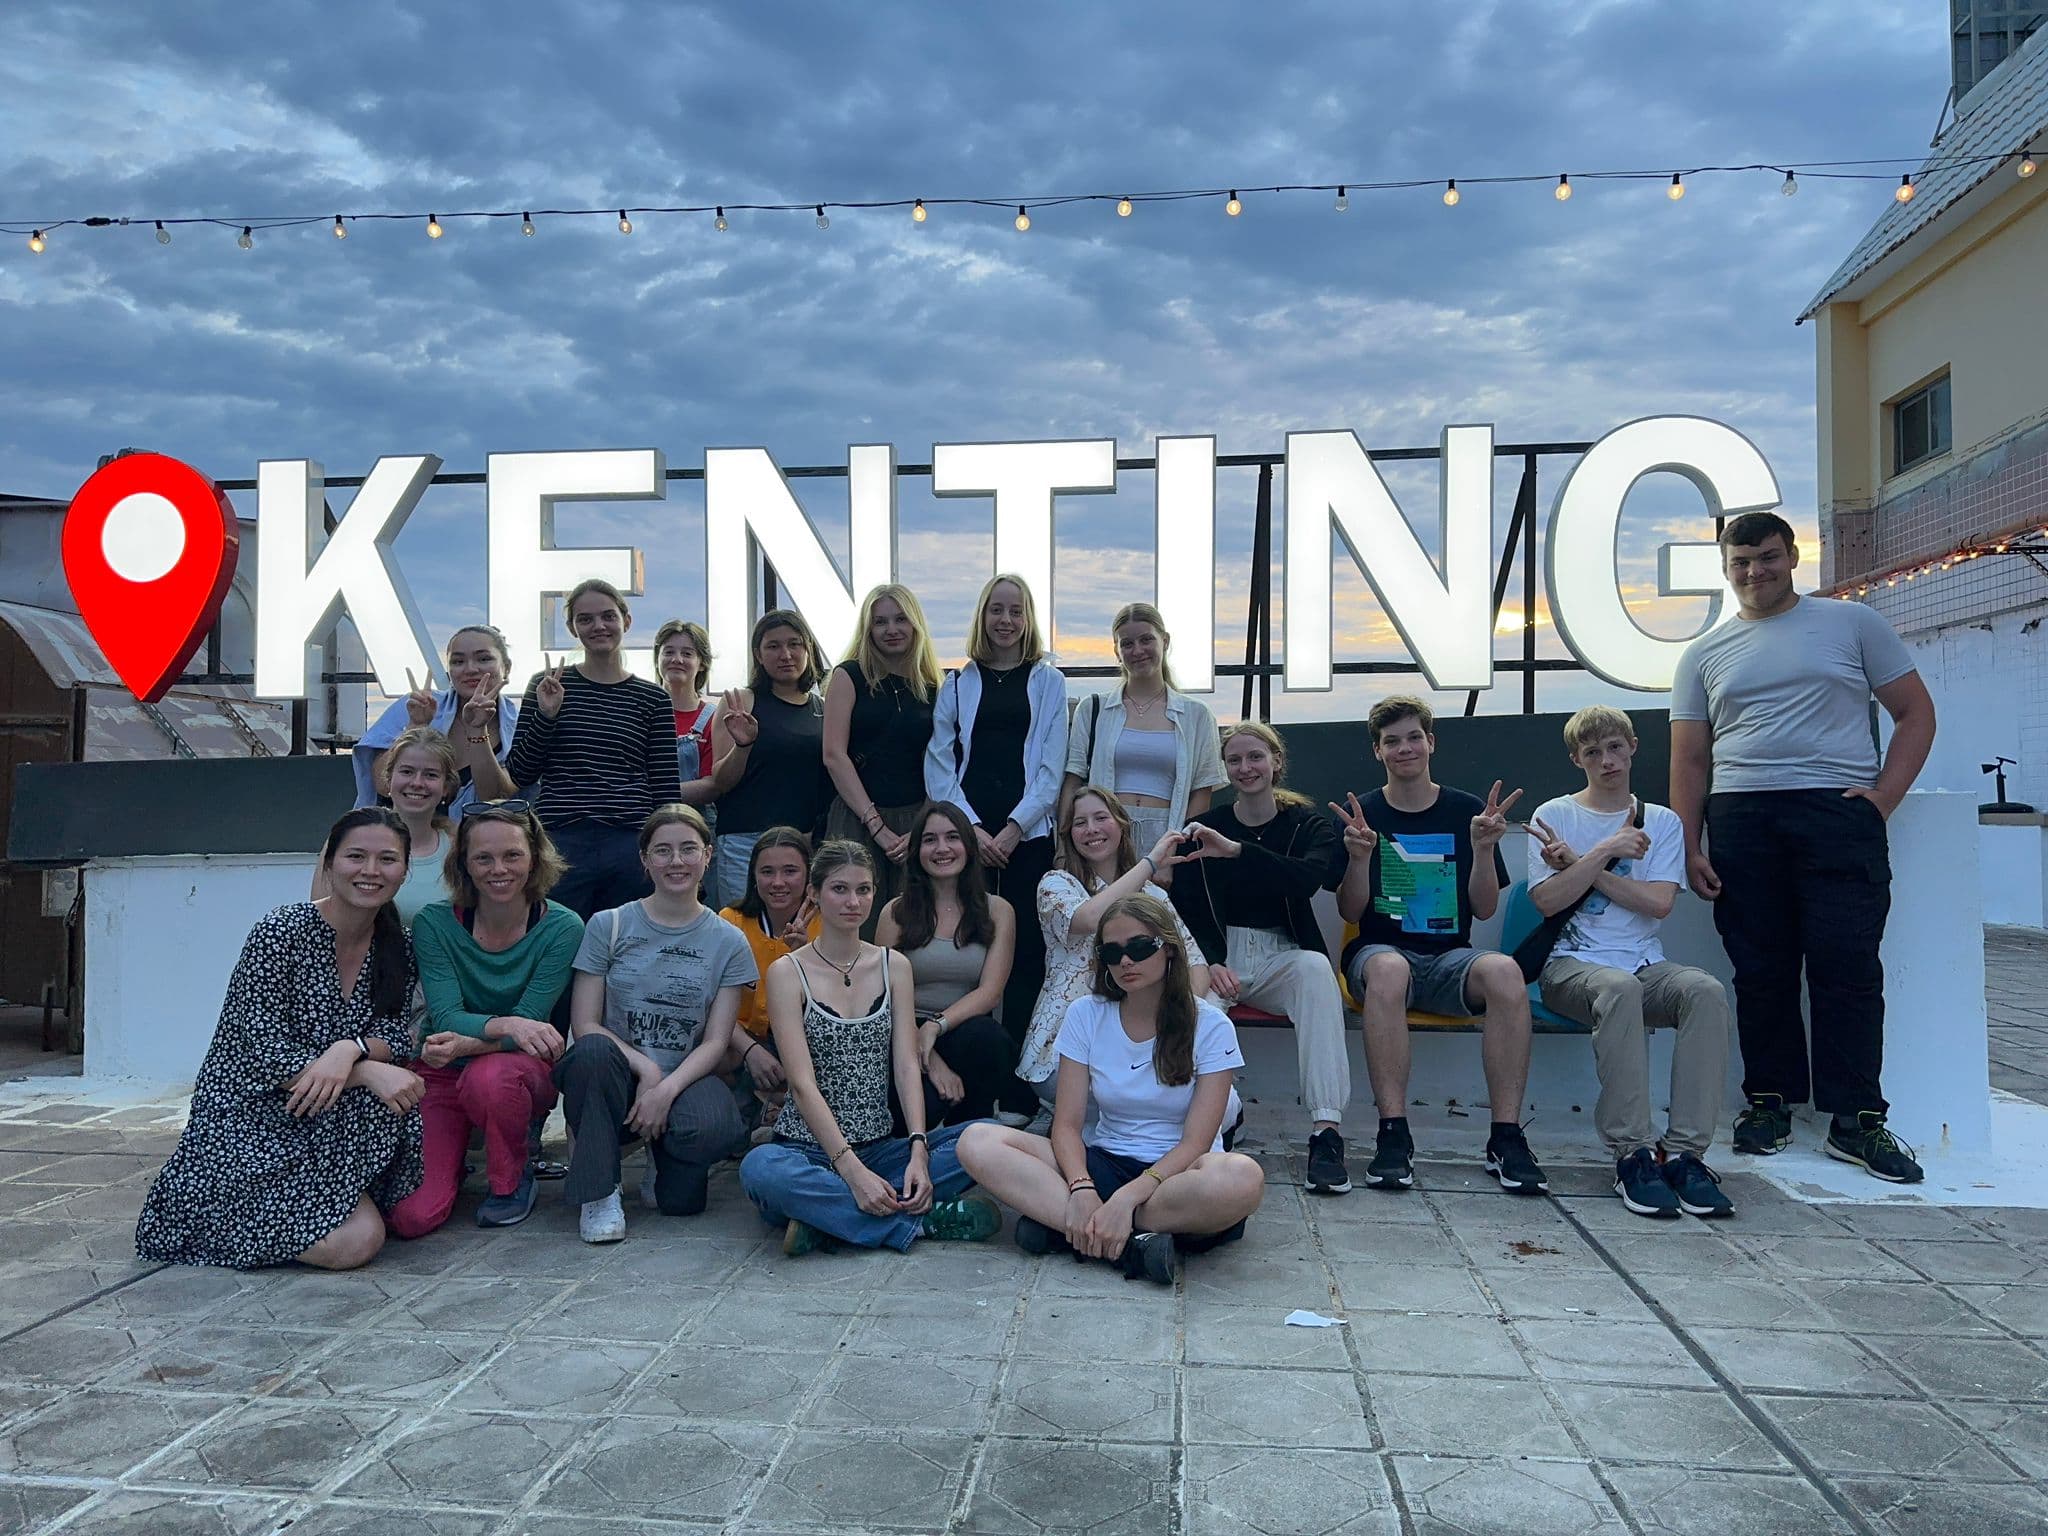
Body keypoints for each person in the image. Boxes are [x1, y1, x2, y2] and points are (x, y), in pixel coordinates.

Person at [1671, 510, 1936, 1183]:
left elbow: (1915, 713)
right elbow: (1691, 759)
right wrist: (1689, 842)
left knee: (1847, 965)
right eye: (1741, 563)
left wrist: (1883, 798)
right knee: (1760, 969)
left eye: (1767, 557)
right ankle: (1769, 1101)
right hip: (1740, 817)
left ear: (1793, 556)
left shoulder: (1852, 624)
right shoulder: (1703, 653)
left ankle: (1857, 1121)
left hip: (1836, 812)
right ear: (1726, 570)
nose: (1755, 572)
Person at [136, 809, 426, 1270]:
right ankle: (191, 1214)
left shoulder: (398, 945)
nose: (372, 871)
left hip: (329, 1115)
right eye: (356, 856)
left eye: (387, 859)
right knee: (356, 1244)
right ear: (328, 863)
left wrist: (351, 1049)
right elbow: (267, 1052)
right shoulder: (281, 933)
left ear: (405, 871)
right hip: (253, 1114)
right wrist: (367, 1070)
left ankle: (287, 1203)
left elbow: (394, 1033)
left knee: (376, 1202)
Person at [959, 894, 1265, 1285]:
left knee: (1242, 1178)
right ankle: (1132, 1245)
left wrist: (1126, 1198)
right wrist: (1081, 1186)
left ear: (1169, 950)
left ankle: (1075, 1228)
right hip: (1104, 1160)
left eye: (1140, 947)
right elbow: (1066, 1126)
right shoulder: (1085, 1014)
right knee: (976, 1141)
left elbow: (1196, 1143)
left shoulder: (1211, 1025)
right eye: (1112, 951)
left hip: (1178, 1175)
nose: (1126, 961)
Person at [737, 840, 1002, 1255]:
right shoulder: (788, 972)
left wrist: (917, 1148)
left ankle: (826, 1220)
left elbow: (904, 1065)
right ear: (815, 894)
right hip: (809, 1153)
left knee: (985, 1137)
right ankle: (915, 1223)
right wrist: (849, 1169)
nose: (852, 902)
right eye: (839, 890)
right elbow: (802, 1084)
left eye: (863, 890)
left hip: (881, 1149)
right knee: (761, 1169)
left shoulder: (893, 965)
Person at [1527, 707, 1733, 1218]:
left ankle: (1684, 1154)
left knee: (1704, 991)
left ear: (1633, 746)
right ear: (1577, 759)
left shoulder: (1661, 822)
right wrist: (1609, 849)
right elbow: (1548, 903)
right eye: (1593, 752)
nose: (1607, 760)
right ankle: (1633, 1153)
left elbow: (1658, 903)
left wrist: (1578, 863)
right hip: (1569, 967)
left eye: (1615, 747)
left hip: (1645, 964)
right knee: (1618, 988)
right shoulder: (1553, 815)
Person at [1335, 695, 1544, 1195]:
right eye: (1392, 741)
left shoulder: (1467, 810)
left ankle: (1506, 1137)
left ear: (1430, 742)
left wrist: (1484, 847)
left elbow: (1486, 908)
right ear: (1377, 751)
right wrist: (1360, 858)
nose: (1404, 748)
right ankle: (1393, 1135)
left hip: (1451, 958)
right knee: (1388, 970)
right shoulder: (1362, 814)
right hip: (1379, 953)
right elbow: (1348, 912)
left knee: (1505, 973)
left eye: (1413, 737)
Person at [555, 806, 757, 1243]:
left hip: (684, 1076)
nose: (676, 862)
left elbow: (716, 1041)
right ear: (644, 860)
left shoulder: (729, 940)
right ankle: (600, 1190)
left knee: (696, 1169)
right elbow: (585, 1024)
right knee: (589, 1055)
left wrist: (665, 1088)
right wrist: (646, 1071)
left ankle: (660, 1157)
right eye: (662, 851)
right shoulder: (608, 925)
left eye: (688, 849)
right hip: (617, 1072)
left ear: (708, 855)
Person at [1170, 721, 1352, 1195]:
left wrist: (1236, 852)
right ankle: (1206, 1133)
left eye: (1255, 757)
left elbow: (1304, 879)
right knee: (1198, 1011)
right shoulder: (1209, 826)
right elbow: (1188, 904)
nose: (1246, 767)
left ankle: (1326, 1132)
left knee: (1317, 973)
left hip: (1282, 955)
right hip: (1218, 956)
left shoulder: (1308, 823)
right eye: (1235, 760)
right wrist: (1209, 960)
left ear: (1276, 762)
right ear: (1225, 769)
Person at [394, 805, 583, 1236]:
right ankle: (452, 1163)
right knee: (412, 1217)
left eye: (512, 855)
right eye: (484, 858)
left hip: (517, 1070)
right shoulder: (435, 922)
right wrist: (507, 1026)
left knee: (490, 1077)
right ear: (464, 862)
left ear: (534, 857)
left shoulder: (562, 927)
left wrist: (471, 1042)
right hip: (441, 1069)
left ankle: (511, 1181)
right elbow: (444, 1015)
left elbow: (533, 1023)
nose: (499, 869)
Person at [925, 572, 1070, 1043]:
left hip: (1026, 838)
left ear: (1027, 620)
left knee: (1029, 950)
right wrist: (971, 831)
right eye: (996, 610)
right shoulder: (956, 683)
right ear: (982, 617)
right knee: (969, 948)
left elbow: (1052, 768)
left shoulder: (1049, 682)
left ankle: (1019, 1082)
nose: (1005, 620)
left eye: (1015, 611)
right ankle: (970, 1061)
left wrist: (1013, 828)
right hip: (968, 839)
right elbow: (940, 764)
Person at [504, 579, 681, 921]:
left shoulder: (653, 698)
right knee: (560, 949)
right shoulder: (548, 684)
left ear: (626, 621)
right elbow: (521, 772)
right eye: (585, 619)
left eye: (608, 616)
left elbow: (665, 788)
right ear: (572, 628)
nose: (598, 626)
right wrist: (547, 715)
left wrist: (667, 848)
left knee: (627, 949)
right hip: (562, 841)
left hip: (630, 841)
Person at [1017, 787, 1213, 1090]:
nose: (1091, 829)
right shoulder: (1057, 884)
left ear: (1121, 824)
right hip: (1066, 1050)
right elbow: (1091, 918)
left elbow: (1195, 964)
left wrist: (1178, 1021)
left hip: (1144, 1039)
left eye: (1100, 817)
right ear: (1069, 834)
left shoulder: (1153, 895)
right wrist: (1149, 863)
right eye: (1080, 823)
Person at [876, 800, 1037, 1127]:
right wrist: (927, 1053)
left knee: (989, 1040)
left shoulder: (998, 910)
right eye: (930, 840)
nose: (942, 848)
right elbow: (882, 996)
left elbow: (990, 993)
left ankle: (969, 1134)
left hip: (960, 1027)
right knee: (929, 1104)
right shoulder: (895, 912)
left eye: (952, 837)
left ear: (969, 846)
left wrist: (935, 1026)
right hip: (902, 1029)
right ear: (917, 850)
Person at [1063, 600, 1227, 855]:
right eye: (1127, 644)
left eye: (1146, 640)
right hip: (1103, 841)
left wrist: (1176, 854)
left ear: (1165, 641)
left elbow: (1200, 793)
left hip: (1167, 839)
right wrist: (1064, 850)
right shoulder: (1093, 709)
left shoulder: (1197, 715)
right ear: (1117, 652)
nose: (1137, 650)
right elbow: (1072, 782)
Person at [822, 584, 941, 923]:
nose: (891, 630)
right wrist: (875, 825)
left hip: (916, 821)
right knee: (856, 921)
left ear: (916, 624)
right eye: (880, 622)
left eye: (901, 619)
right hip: (857, 818)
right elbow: (833, 754)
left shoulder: (933, 684)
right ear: (868, 629)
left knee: (913, 921)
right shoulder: (849, 676)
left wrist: (923, 825)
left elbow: (940, 759)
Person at [708, 608, 833, 906]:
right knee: (744, 937)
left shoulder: (825, 708)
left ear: (808, 650)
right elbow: (720, 782)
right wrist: (743, 746)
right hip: (744, 844)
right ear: (758, 655)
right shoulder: (741, 703)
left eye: (794, 644)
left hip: (802, 846)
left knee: (796, 940)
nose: (786, 654)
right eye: (773, 646)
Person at [354, 625, 522, 820]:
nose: (470, 669)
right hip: (401, 837)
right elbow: (384, 786)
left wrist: (478, 730)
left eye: (483, 659)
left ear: (506, 667)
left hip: (474, 843)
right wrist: (416, 727)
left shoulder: (519, 727)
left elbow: (494, 799)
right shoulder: (415, 705)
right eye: (458, 661)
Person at [717, 828, 818, 1124]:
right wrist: (750, 1051)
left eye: (790, 871)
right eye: (767, 872)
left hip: (804, 1045)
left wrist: (804, 956)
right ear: (753, 876)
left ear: (809, 878)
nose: (778, 883)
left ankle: (779, 1108)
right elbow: (708, 1004)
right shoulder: (730, 921)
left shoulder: (828, 922)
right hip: (738, 1042)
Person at [319, 726, 457, 931]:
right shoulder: (345, 840)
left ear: (446, 787)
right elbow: (321, 920)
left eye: (430, 775)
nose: (417, 783)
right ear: (389, 779)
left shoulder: (459, 846)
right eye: (407, 771)